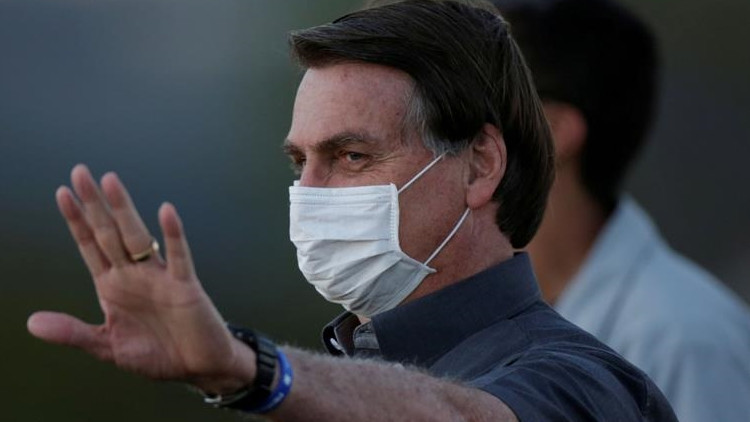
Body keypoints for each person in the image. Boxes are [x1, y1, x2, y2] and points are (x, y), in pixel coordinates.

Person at [26, 1, 677, 420]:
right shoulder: (333, 380)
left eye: (352, 156)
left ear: (480, 164)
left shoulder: (584, 383)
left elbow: (465, 416)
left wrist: (251, 369)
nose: (310, 192)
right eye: (299, 162)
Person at [491, 0, 750, 421]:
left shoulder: (686, 340)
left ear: (553, 131)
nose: (447, 125)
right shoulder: (493, 312)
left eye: (482, 102)